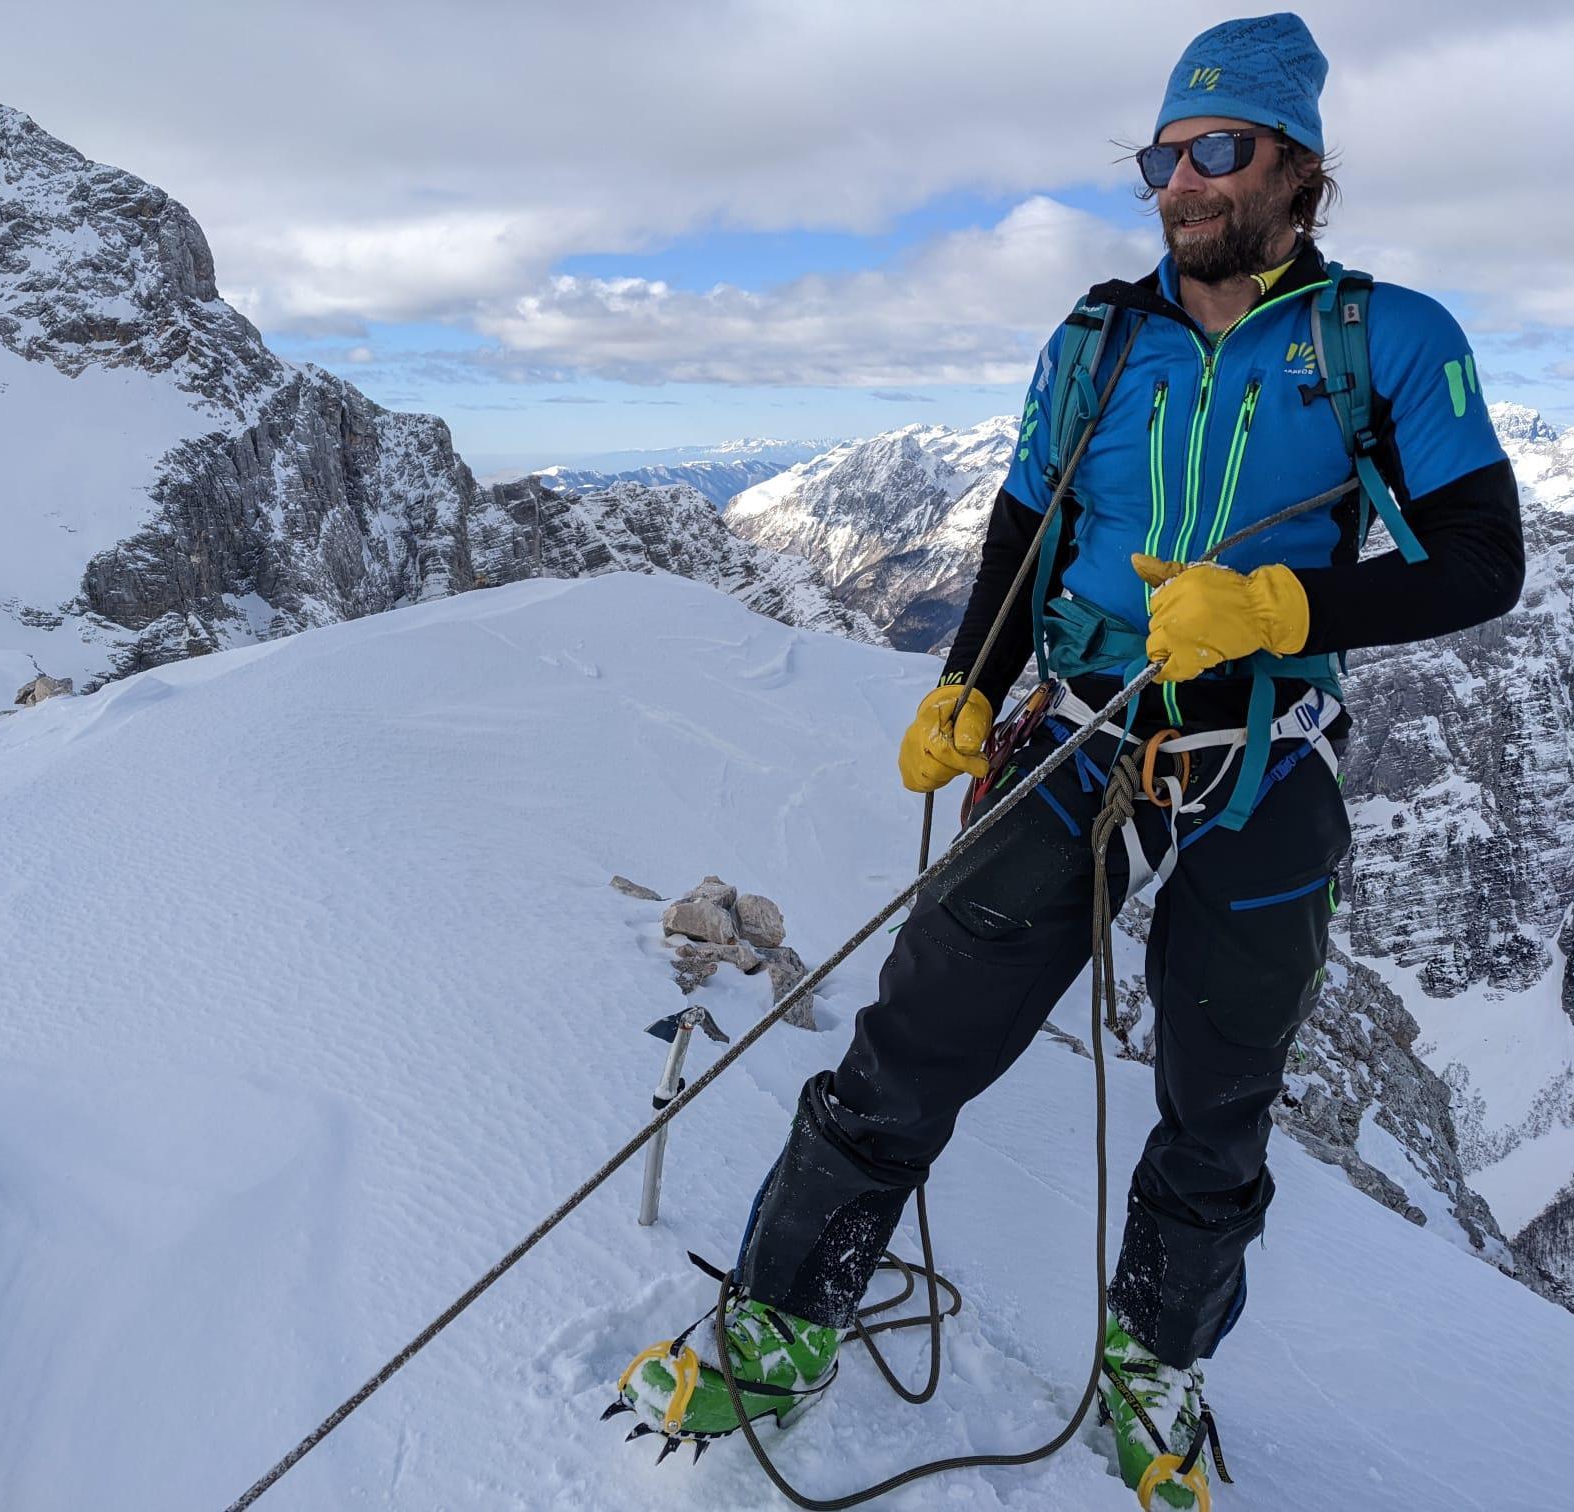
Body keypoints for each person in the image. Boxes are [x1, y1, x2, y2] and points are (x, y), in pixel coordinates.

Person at [612, 12, 1524, 1507]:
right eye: (1162, 154)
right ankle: (781, 1317)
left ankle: (1154, 1374)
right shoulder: (1097, 341)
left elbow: (1483, 562)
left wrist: (1287, 604)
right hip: (1081, 729)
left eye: (1216, 149)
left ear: (1297, 166)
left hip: (1262, 748)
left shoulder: (1388, 341)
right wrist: (966, 687)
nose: (1182, 180)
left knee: (1219, 1100)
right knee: (916, 1038)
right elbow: (1025, 529)